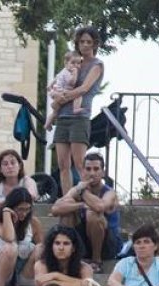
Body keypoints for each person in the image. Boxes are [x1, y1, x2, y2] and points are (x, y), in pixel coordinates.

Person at [51, 26, 104, 195]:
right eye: (82, 41)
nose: (85, 45)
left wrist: (63, 97)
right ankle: (68, 198)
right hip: (63, 116)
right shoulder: (73, 62)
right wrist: (55, 96)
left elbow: (84, 88)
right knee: (63, 164)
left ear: (94, 44)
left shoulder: (96, 65)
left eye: (89, 42)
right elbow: (60, 81)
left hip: (80, 117)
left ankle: (88, 198)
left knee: (80, 163)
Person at [50, 152, 120, 270]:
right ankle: (68, 259)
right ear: (83, 171)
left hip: (107, 245)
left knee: (93, 214)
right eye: (88, 169)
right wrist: (81, 205)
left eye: (96, 169)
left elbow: (99, 207)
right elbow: (55, 209)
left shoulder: (110, 193)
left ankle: (96, 261)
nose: (92, 173)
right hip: (83, 241)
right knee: (67, 213)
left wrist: (82, 191)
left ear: (103, 172)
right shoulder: (77, 189)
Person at [0, 187, 44, 286]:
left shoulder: (33, 222)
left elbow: (43, 249)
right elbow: (9, 238)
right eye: (20, 209)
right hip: (0, 273)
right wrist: (6, 213)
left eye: (27, 209)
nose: (24, 213)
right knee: (11, 247)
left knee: (40, 248)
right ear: (11, 207)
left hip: (23, 272)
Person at [45, 51, 85, 130]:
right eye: (73, 63)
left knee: (55, 112)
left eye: (78, 63)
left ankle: (47, 124)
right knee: (78, 95)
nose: (76, 65)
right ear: (66, 63)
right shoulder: (68, 73)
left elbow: (56, 77)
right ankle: (76, 108)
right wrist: (75, 75)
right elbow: (71, 83)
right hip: (61, 92)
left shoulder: (63, 70)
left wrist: (50, 85)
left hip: (55, 91)